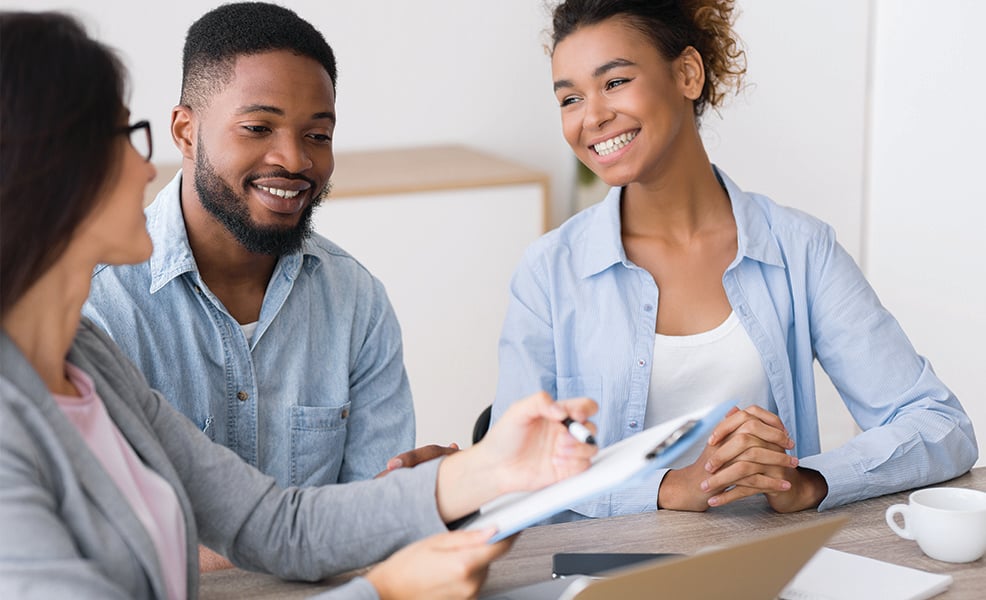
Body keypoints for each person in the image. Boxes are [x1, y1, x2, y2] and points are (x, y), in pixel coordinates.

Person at [0, 12, 598, 600]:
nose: (141, 164)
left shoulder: (87, 362)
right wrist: (383, 591)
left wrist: (493, 468)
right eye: (123, 138)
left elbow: (275, 524)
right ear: (38, 169)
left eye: (317, 133)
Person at [492, 0, 977, 520]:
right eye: (569, 98)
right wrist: (667, 489)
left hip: (764, 569)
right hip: (603, 577)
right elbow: (510, 475)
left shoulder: (800, 250)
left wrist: (811, 480)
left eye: (614, 83)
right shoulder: (550, 273)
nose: (592, 116)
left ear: (687, 73)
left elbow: (939, 422)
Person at [81, 2, 443, 493]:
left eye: (318, 135)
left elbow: (376, 517)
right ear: (186, 132)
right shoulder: (96, 303)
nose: (294, 159)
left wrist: (416, 501)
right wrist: (356, 524)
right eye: (257, 128)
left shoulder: (356, 300)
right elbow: (119, 538)